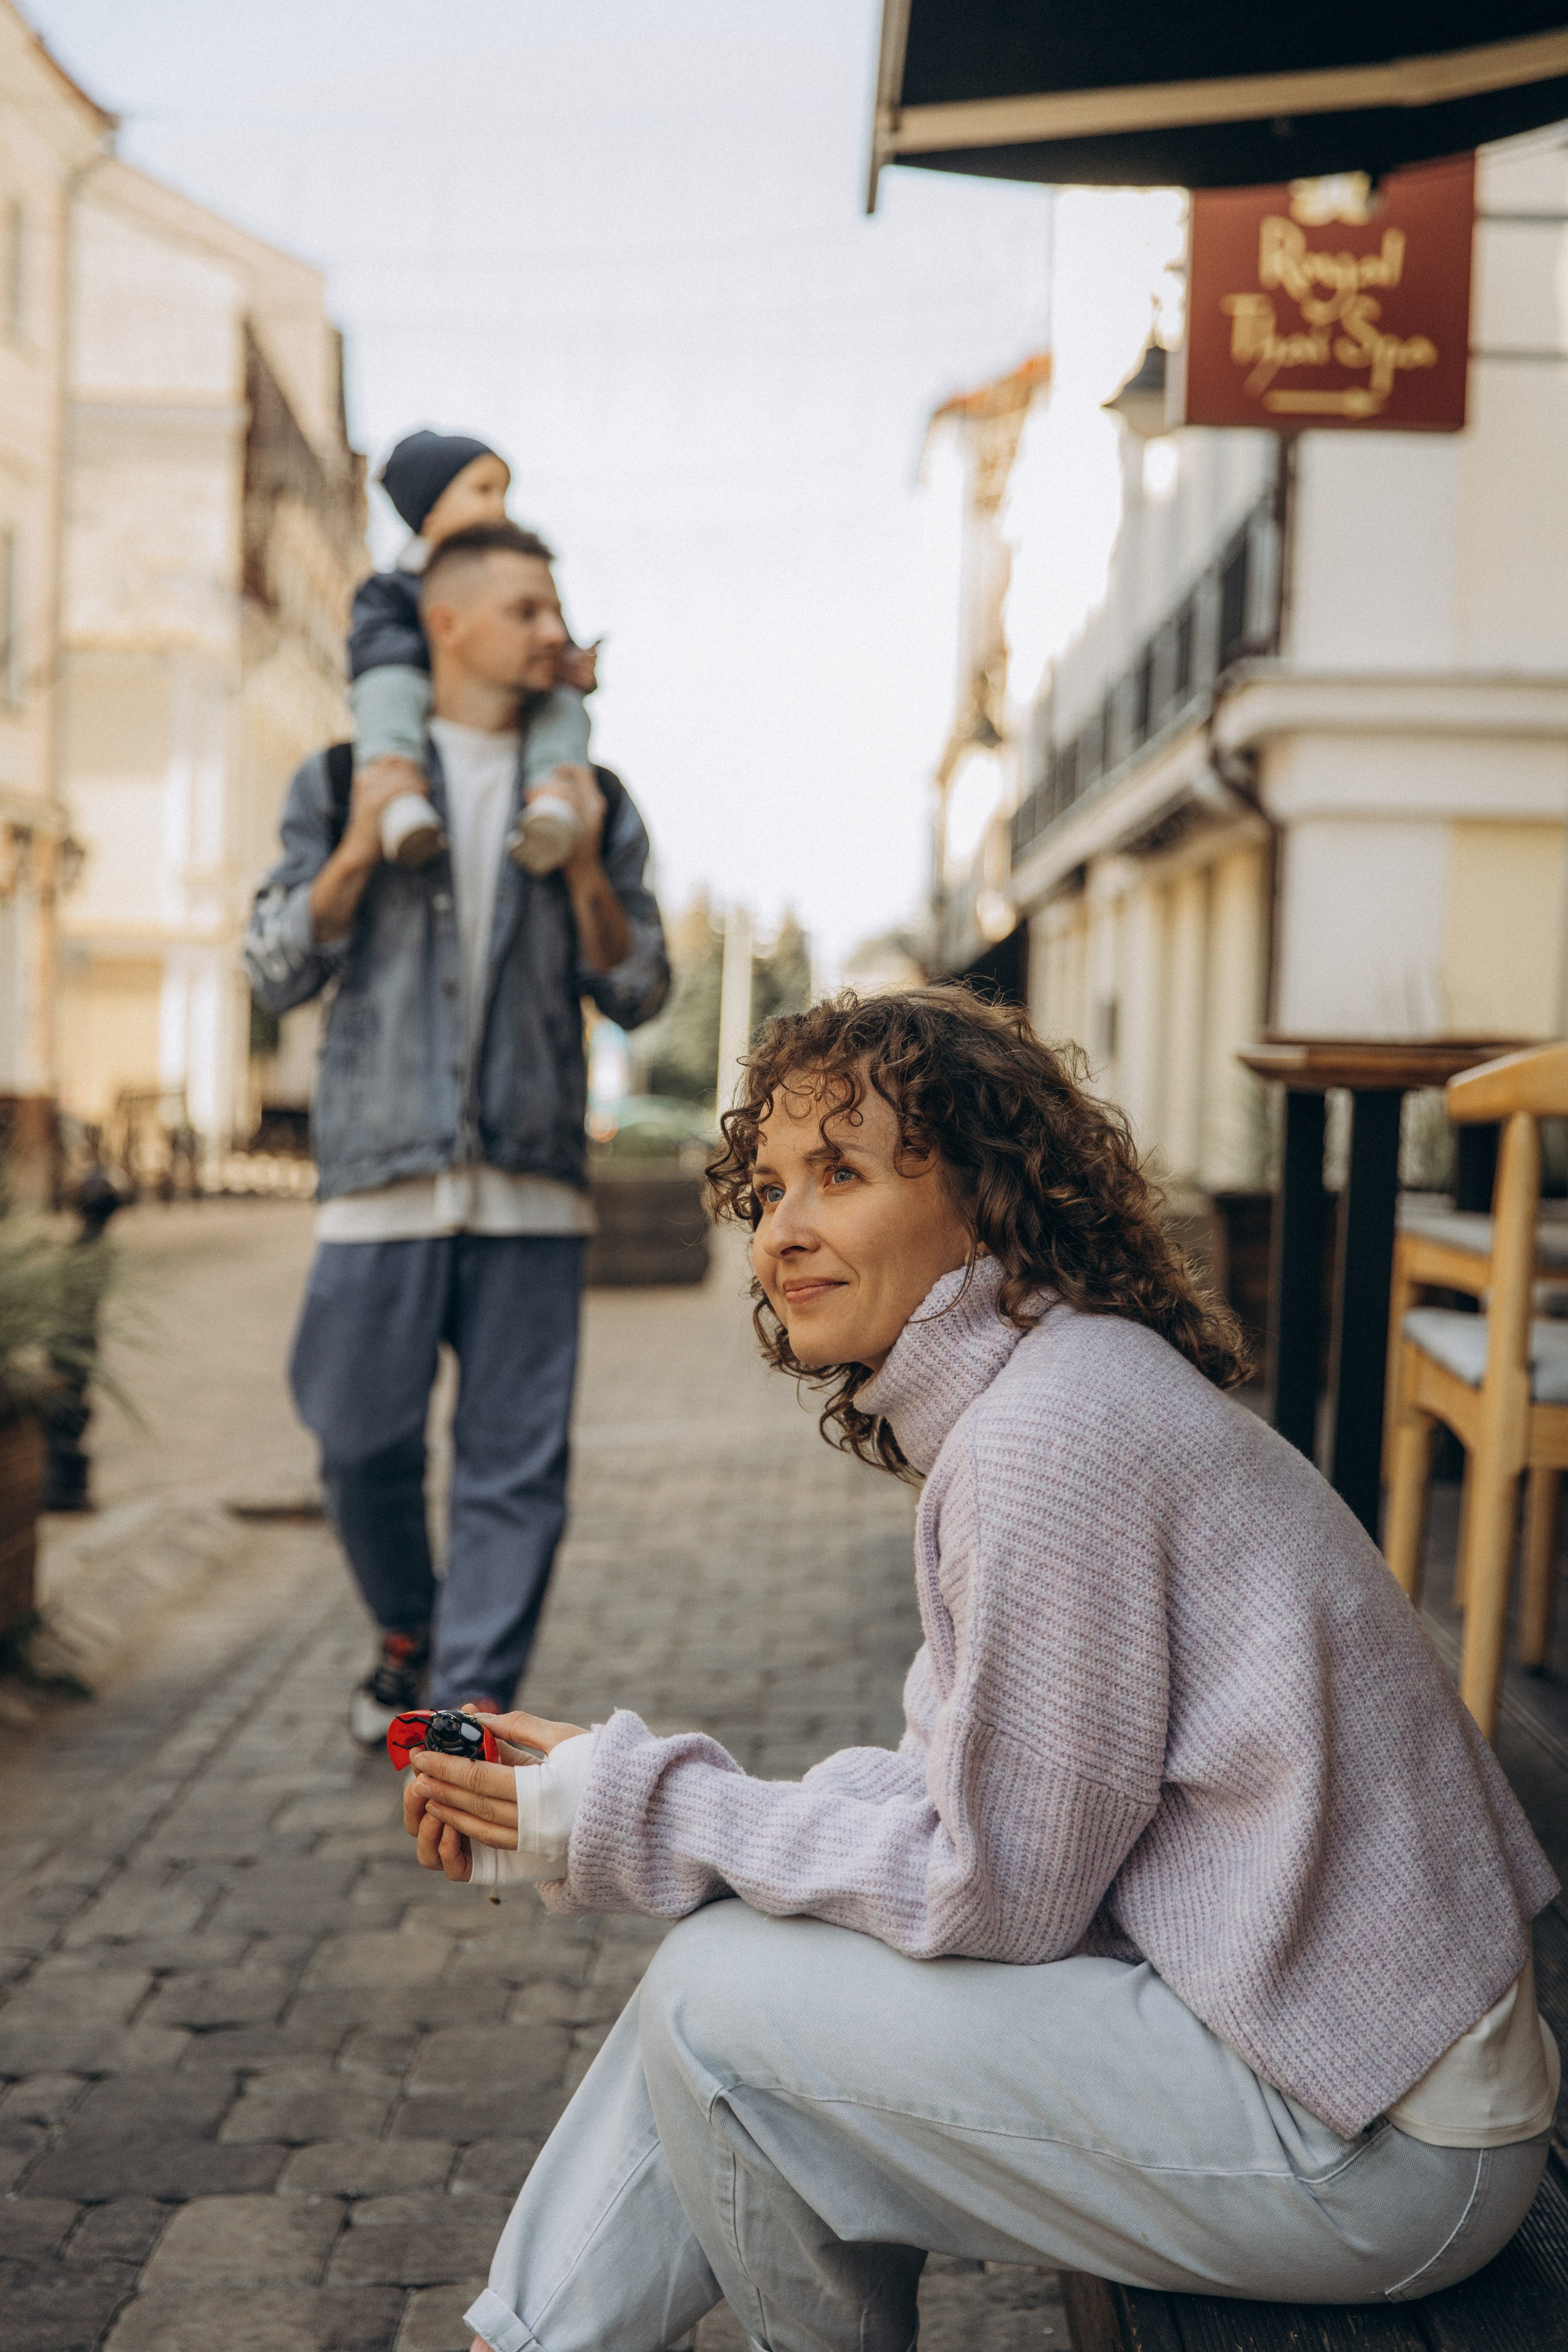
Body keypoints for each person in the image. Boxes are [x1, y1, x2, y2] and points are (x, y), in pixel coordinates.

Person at [398, 987, 1559, 2352]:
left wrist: (640, 1808)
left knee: (724, 2014)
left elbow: (994, 1893)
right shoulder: (1043, 1396)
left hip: (1372, 2140)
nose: (783, 1230)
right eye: (768, 1187)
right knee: (727, 1981)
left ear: (985, 1196)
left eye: (840, 1172)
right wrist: (582, 1807)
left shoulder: (1045, 1441)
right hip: (1318, 2062)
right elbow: (942, 1799)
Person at [244, 520, 667, 1741]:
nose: (555, 634)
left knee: (513, 1476)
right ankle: (409, 1628)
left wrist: (584, 868)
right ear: (448, 625)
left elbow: (638, 986)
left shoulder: (597, 795)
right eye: (528, 610)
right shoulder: (337, 779)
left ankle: (462, 1722)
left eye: (554, 610)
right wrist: (357, 853)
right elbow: (273, 967)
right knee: (354, 1443)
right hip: (379, 1184)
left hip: (534, 1186)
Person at [350, 428, 601, 872]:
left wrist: (571, 666)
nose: (497, 506)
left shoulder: (520, 572)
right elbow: (372, 646)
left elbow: (552, 640)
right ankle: (397, 795)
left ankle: (554, 796)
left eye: (503, 492)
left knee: (562, 706)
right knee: (385, 688)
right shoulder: (392, 586)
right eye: (482, 490)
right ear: (429, 509)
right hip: (408, 684)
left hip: (512, 701)